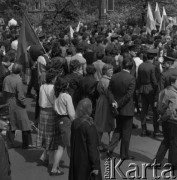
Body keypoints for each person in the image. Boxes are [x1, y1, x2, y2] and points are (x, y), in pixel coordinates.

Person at [107, 58, 135, 160]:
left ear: (123, 66)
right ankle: (124, 154)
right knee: (126, 133)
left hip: (116, 107)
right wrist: (118, 104)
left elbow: (109, 91)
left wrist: (113, 102)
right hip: (126, 109)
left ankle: (110, 148)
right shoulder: (131, 78)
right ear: (131, 68)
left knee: (118, 129)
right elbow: (129, 95)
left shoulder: (114, 76)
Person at [69, 98, 102, 180]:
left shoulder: (74, 123)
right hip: (86, 163)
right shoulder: (89, 126)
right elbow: (93, 148)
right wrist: (95, 166)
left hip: (76, 159)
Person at [3, 63, 33, 149]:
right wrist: (24, 103)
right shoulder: (18, 80)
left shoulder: (7, 78)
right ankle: (26, 144)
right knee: (25, 124)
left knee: (12, 123)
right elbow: (20, 96)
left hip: (8, 102)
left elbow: (3, 91)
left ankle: (11, 142)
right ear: (20, 71)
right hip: (17, 103)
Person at [51, 77, 75, 176]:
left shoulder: (56, 95)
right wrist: (75, 123)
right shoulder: (67, 96)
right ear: (66, 85)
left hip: (58, 120)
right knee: (70, 146)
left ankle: (54, 168)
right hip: (66, 122)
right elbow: (72, 113)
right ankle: (76, 166)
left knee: (61, 147)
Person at [36, 69, 58, 169]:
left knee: (45, 136)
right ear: (53, 78)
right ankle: (50, 160)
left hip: (42, 112)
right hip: (51, 113)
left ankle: (44, 155)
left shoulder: (42, 87)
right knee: (52, 137)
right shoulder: (54, 88)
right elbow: (55, 102)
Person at [154, 76, 177, 169]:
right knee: (173, 143)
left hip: (165, 120)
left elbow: (159, 107)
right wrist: (163, 118)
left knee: (166, 142)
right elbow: (171, 110)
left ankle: (157, 162)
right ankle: (172, 164)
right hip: (172, 120)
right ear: (172, 83)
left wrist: (161, 117)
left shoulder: (163, 91)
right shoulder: (174, 94)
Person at [137, 49, 162, 137]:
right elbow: (154, 81)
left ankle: (144, 129)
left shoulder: (141, 65)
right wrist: (157, 90)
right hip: (151, 89)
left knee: (144, 110)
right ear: (154, 57)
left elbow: (138, 79)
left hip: (142, 89)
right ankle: (156, 130)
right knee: (155, 111)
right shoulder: (152, 67)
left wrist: (139, 88)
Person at [94, 64, 115, 148]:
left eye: (112, 70)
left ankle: (99, 143)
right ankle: (110, 143)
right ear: (105, 71)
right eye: (110, 70)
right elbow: (109, 94)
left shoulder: (102, 79)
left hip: (101, 102)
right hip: (106, 103)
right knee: (110, 123)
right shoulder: (107, 81)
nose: (112, 72)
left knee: (101, 123)